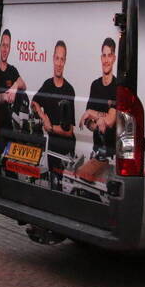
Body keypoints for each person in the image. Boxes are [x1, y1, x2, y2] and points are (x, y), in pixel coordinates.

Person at [31, 40, 76, 190]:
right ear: (52, 59)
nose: (58, 63)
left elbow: (69, 131)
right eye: (56, 58)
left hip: (65, 148)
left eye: (62, 59)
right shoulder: (47, 85)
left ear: (65, 62)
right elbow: (34, 102)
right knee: (52, 184)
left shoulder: (69, 90)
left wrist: (50, 128)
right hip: (52, 146)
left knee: (60, 187)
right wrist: (43, 117)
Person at [76, 37, 118, 183]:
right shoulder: (95, 85)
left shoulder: (117, 87)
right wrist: (96, 123)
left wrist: (91, 113)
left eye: (109, 55)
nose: (106, 60)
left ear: (114, 58)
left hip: (112, 157)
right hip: (96, 153)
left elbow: (111, 121)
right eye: (104, 55)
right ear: (101, 58)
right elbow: (87, 123)